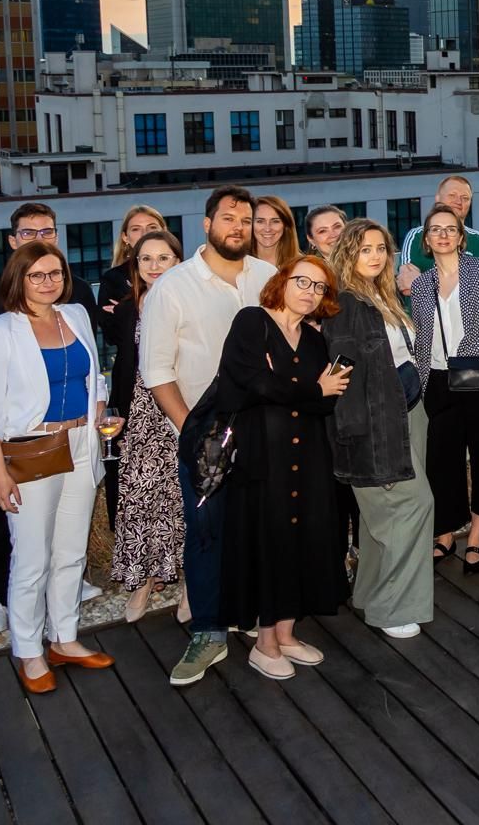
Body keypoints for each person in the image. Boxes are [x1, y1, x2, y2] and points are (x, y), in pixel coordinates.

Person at [138, 185, 277, 686]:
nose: (238, 228)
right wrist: (193, 432)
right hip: (206, 435)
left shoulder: (268, 277)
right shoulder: (172, 287)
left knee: (259, 527)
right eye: (228, 219)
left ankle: (255, 618)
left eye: (245, 220)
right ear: (206, 224)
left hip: (266, 429)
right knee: (207, 534)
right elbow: (157, 371)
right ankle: (209, 632)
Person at [0, 241, 113, 694]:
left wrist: (99, 412)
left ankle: (65, 639)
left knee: (71, 550)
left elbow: (92, 378)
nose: (48, 282)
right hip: (31, 449)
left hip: (80, 442)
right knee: (31, 557)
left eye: (55, 273)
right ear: (18, 279)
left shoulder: (74, 315)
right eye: (37, 275)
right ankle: (29, 651)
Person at [215, 258, 351, 679]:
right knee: (269, 542)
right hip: (262, 455)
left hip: (309, 454)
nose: (310, 291)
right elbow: (252, 382)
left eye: (320, 287)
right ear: (282, 281)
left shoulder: (313, 340)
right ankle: (265, 642)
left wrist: (295, 391)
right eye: (302, 281)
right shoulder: (252, 322)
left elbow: (329, 399)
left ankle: (288, 633)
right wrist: (309, 389)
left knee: (303, 539)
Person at [325, 220, 433, 640]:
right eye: (363, 248)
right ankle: (392, 610)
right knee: (410, 508)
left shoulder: (381, 295)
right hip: (378, 424)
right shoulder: (346, 304)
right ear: (346, 254)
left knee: (380, 520)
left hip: (408, 411)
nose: (374, 255)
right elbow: (343, 381)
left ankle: (370, 594)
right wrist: (360, 439)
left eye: (380, 248)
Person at [409, 205, 479, 571]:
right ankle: (446, 532)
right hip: (436, 380)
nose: (444, 235)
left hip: (477, 377)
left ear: (461, 236)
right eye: (436, 230)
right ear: (427, 240)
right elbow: (421, 336)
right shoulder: (420, 285)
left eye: (451, 229)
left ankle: (477, 536)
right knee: (441, 461)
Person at [108, 229, 186, 623]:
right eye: (146, 259)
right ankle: (140, 584)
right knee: (139, 499)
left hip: (186, 407)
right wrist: (116, 411)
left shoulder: (191, 301)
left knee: (188, 500)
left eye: (164, 258)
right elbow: (122, 365)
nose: (155, 266)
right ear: (135, 265)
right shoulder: (127, 309)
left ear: (178, 260)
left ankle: (190, 584)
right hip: (142, 414)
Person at [96, 204, 168, 534]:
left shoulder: (178, 276)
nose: (144, 233)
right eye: (136, 229)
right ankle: (130, 541)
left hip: (171, 382)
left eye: (152, 226)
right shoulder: (113, 278)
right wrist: (129, 308)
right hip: (129, 382)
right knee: (126, 464)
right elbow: (113, 331)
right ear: (126, 238)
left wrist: (125, 307)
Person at [398, 175, 479, 289]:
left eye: (465, 198)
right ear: (437, 198)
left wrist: (421, 282)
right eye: (452, 195)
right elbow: (406, 284)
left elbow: (478, 288)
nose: (459, 201)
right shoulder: (416, 236)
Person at [251, 195, 300, 271]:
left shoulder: (301, 265)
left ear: (286, 225)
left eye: (275, 221)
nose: (267, 229)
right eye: (260, 221)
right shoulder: (237, 264)